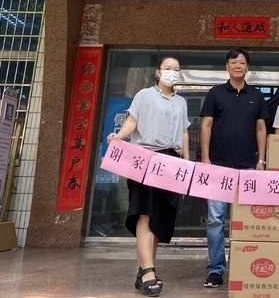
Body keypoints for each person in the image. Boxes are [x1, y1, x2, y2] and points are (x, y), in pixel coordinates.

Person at [107, 56, 189, 297]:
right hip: (146, 159)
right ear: (158, 72)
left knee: (159, 218)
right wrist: (119, 137)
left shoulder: (181, 102)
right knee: (146, 212)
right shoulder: (144, 95)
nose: (171, 72)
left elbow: (184, 132)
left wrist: (186, 160)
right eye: (167, 68)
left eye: (176, 69)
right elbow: (132, 120)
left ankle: (143, 269)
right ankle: (148, 272)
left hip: (171, 162)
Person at [200, 48, 268, 289]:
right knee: (215, 220)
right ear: (227, 66)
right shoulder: (215, 93)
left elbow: (261, 128)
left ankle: (246, 267)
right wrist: (205, 158)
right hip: (218, 167)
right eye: (233, 62)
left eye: (242, 62)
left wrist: (261, 161)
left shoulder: (256, 96)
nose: (238, 66)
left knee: (249, 220)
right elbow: (206, 125)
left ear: (248, 67)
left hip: (248, 168)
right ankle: (216, 270)